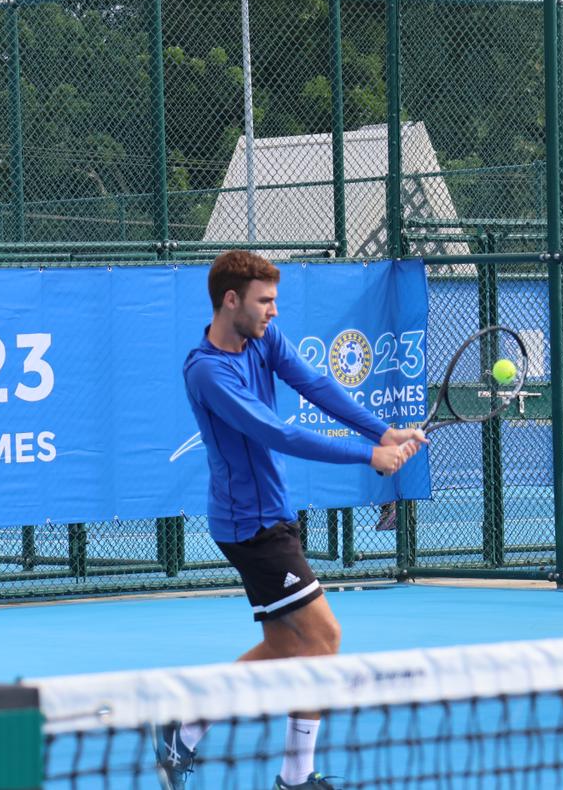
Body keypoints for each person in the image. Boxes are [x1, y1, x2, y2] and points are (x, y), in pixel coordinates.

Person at [163, 250, 427, 790]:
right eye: (265, 301)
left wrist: (381, 431)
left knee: (288, 648)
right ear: (230, 301)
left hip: (272, 515)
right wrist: (366, 456)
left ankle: (184, 725)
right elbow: (277, 432)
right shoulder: (208, 371)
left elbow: (315, 386)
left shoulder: (262, 341)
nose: (273, 311)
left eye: (275, 301)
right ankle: (295, 776)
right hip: (251, 527)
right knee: (324, 636)